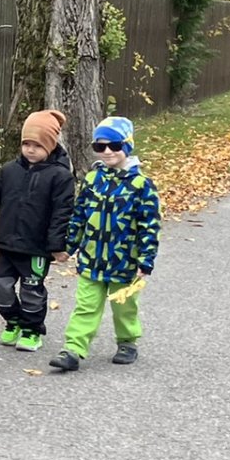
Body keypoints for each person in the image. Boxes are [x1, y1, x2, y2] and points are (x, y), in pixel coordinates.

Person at [52, 116, 160, 372]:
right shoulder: (92, 180)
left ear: (127, 146)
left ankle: (127, 341)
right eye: (100, 146)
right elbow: (79, 216)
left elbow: (149, 225)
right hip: (92, 259)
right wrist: (69, 245)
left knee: (124, 307)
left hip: (125, 261)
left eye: (114, 145)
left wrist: (146, 259)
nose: (107, 151)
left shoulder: (141, 185)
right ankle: (73, 349)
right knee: (86, 305)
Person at [0, 109, 74, 353]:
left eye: (37, 145)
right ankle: (14, 320)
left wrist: (57, 245)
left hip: (36, 248)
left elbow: (62, 213)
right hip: (7, 244)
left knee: (31, 291)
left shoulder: (61, 176)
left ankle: (32, 330)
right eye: (26, 144)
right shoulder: (9, 170)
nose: (30, 150)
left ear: (50, 145)